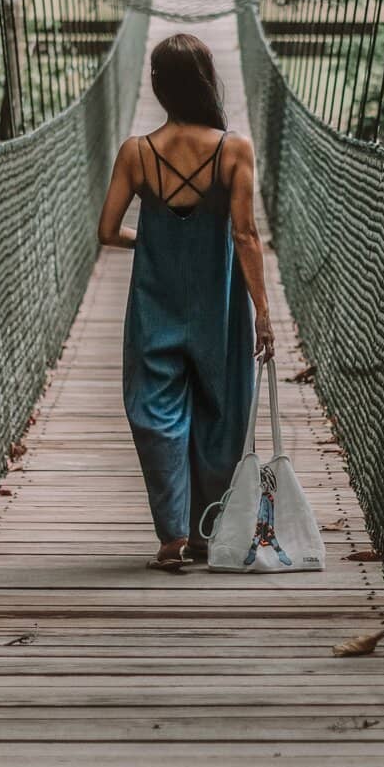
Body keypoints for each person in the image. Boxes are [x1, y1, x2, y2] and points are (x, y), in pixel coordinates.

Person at [97, 33, 275, 571]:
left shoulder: (136, 152)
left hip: (157, 300)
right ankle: (206, 534)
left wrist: (151, 240)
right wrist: (263, 313)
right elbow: (245, 235)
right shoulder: (233, 149)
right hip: (220, 304)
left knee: (155, 409)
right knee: (222, 412)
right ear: (206, 80)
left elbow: (108, 231)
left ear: (158, 86)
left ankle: (173, 535)